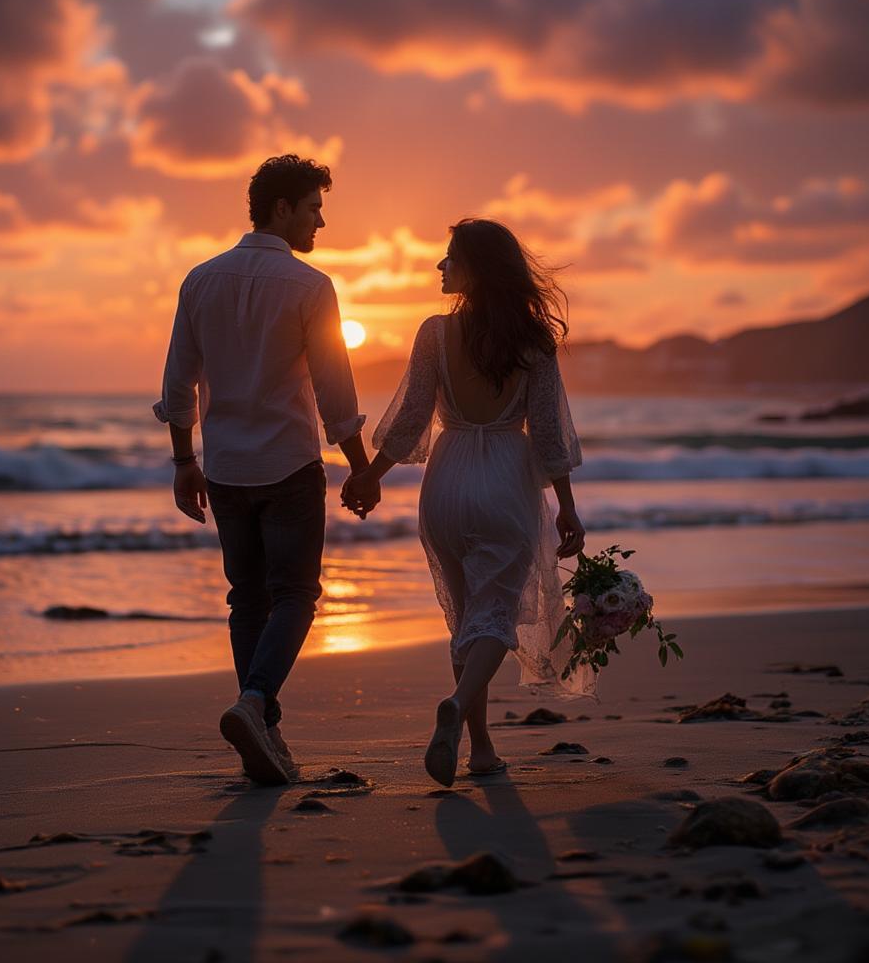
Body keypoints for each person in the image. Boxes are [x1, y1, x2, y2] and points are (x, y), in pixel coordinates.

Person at [341, 218, 592, 788]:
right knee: (494, 616)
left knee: (465, 619)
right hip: (505, 478)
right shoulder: (533, 344)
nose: (440, 266)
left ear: (477, 268)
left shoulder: (434, 333)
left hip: (447, 479)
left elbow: (408, 421)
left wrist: (371, 475)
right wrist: (567, 505)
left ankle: (480, 750)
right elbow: (549, 434)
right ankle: (455, 706)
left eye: (450, 257)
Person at [154, 154, 374, 786]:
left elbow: (178, 383)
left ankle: (265, 731)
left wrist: (183, 461)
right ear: (282, 208)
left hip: (225, 466)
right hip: (288, 463)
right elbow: (336, 391)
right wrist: (359, 469)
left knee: (246, 597)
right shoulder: (310, 286)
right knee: (296, 594)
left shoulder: (200, 280)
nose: (321, 222)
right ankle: (255, 706)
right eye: (313, 208)